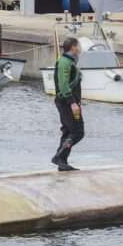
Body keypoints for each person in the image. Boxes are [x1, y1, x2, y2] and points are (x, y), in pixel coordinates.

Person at [50, 37, 84, 172]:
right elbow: (63, 85)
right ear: (74, 47)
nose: (79, 49)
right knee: (77, 131)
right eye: (78, 46)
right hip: (66, 102)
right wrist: (72, 103)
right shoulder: (64, 62)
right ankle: (58, 157)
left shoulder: (68, 61)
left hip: (71, 102)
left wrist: (77, 102)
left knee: (68, 131)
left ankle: (62, 163)